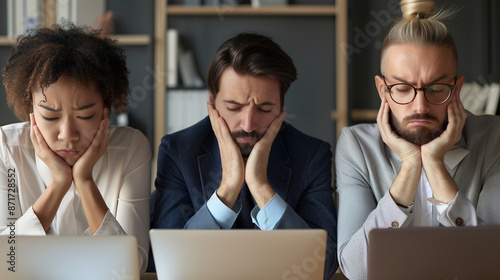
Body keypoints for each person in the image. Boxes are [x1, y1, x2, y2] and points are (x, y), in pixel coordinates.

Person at [150, 32, 338, 278]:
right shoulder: (178, 152)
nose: (248, 124)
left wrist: (261, 187)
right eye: (233, 107)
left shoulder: (312, 156)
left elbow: (322, 265)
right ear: (212, 103)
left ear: (282, 108)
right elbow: (165, 264)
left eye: (264, 108)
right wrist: (228, 188)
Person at [335, 0, 500, 279]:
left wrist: (434, 164)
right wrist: (411, 165)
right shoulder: (356, 146)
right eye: (402, 88)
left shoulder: (494, 138)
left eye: (437, 88)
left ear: (457, 88)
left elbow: (493, 265)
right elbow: (356, 270)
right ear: (382, 90)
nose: (420, 106)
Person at [0, 24, 151, 272]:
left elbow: (132, 267)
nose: (68, 135)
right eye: (50, 117)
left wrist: (84, 180)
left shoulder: (131, 149)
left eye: (85, 115)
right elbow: (6, 262)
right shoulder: (6, 149)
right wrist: (59, 184)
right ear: (31, 114)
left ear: (106, 111)